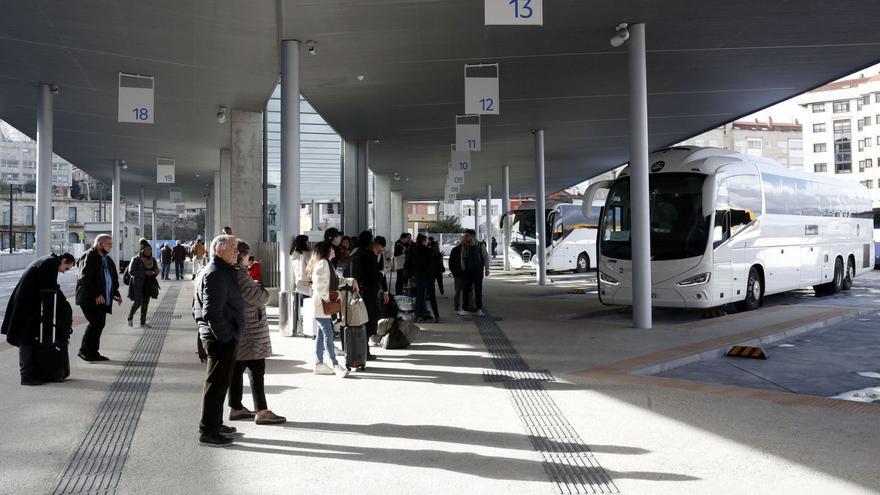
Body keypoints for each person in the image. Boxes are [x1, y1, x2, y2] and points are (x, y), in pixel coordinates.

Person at [193, 234, 245, 447]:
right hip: (219, 338)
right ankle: (208, 431)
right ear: (219, 250)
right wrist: (227, 336)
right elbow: (211, 312)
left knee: (220, 383)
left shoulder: (221, 270)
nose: (237, 252)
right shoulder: (216, 273)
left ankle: (215, 423)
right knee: (216, 384)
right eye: (233, 248)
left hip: (219, 335)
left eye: (237, 248)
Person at [228, 240, 286, 425]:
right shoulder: (241, 274)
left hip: (241, 325)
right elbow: (261, 297)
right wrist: (260, 289)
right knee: (257, 368)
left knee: (238, 367)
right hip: (251, 327)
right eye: (248, 256)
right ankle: (261, 411)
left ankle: (236, 407)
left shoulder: (231, 273)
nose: (249, 259)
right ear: (241, 256)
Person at [1, 253, 75, 385]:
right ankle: (26, 376)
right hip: (26, 305)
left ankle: (31, 373)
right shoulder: (51, 263)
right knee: (26, 339)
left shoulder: (47, 260)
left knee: (28, 338)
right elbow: (50, 287)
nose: (64, 271)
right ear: (63, 260)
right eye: (66, 268)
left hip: (26, 303)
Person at [308, 241, 354, 377]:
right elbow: (320, 285)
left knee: (322, 334)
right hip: (323, 305)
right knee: (327, 334)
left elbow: (332, 280)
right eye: (332, 249)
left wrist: (348, 281)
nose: (334, 251)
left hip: (322, 305)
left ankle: (319, 364)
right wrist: (332, 296)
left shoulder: (325, 263)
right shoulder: (323, 263)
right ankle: (334, 363)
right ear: (327, 251)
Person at [76, 234, 122, 362]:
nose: (111, 246)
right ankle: (84, 351)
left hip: (103, 298)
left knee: (99, 324)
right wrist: (96, 294)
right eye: (109, 244)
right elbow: (84, 278)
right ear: (100, 244)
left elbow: (111, 278)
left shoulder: (106, 259)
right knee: (95, 323)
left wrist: (115, 293)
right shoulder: (89, 256)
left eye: (111, 244)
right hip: (90, 298)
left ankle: (93, 352)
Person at [346, 231, 389, 359]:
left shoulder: (357, 253)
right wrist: (382, 272)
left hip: (357, 290)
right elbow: (373, 276)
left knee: (359, 321)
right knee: (367, 319)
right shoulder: (369, 255)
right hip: (368, 293)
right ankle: (365, 352)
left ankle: (359, 351)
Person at [405, 234, 440, 322]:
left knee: (420, 297)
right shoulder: (429, 250)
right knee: (432, 297)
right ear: (424, 241)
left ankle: (419, 316)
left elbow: (407, 264)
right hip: (428, 276)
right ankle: (437, 316)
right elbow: (434, 262)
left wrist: (411, 274)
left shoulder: (413, 250)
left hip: (418, 276)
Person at [126, 239, 160, 328]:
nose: (149, 251)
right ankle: (130, 317)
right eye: (147, 250)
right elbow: (131, 272)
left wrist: (156, 271)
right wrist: (144, 273)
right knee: (138, 302)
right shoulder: (136, 259)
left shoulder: (153, 259)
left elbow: (155, 269)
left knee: (145, 304)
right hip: (138, 284)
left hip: (148, 284)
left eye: (150, 250)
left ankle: (143, 323)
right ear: (142, 250)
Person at [458, 229, 490, 316]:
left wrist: (487, 269)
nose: (465, 237)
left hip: (478, 271)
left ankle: (479, 309)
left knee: (478, 290)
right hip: (467, 271)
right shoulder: (464, 246)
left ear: (473, 236)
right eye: (465, 235)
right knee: (465, 290)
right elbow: (462, 257)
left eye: (467, 236)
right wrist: (463, 269)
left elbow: (485, 257)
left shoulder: (480, 245)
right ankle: (465, 309)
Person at [290, 235, 311, 335]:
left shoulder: (293, 255)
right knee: (308, 307)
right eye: (307, 241)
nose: (308, 243)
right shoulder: (307, 254)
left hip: (297, 283)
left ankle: (299, 328)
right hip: (307, 283)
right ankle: (308, 328)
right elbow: (310, 269)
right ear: (304, 242)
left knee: (299, 308)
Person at [449, 236, 465, 313]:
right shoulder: (455, 250)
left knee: (468, 290)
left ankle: (466, 305)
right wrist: (454, 271)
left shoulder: (469, 249)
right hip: (458, 273)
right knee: (458, 290)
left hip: (467, 273)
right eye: (463, 240)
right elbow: (451, 262)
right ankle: (456, 305)